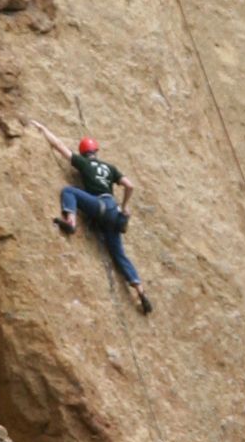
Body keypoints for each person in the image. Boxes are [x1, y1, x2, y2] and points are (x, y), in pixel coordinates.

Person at [28, 121, 152, 313]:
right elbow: (130, 185)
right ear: (96, 151)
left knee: (69, 191)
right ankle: (141, 292)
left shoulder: (85, 163)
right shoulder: (110, 168)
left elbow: (60, 147)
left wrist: (43, 129)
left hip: (99, 206)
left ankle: (71, 222)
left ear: (84, 152)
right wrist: (125, 207)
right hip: (114, 213)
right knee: (119, 255)